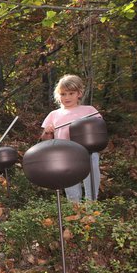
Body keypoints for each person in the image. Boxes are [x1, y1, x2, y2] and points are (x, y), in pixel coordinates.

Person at [41, 74, 102, 202]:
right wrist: (48, 132)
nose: (67, 97)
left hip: (88, 153)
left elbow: (99, 130)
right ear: (58, 95)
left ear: (79, 93)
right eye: (63, 94)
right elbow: (45, 141)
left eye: (71, 93)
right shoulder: (54, 114)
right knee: (72, 192)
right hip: (66, 155)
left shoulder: (89, 111)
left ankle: (92, 211)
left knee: (91, 185)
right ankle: (75, 214)